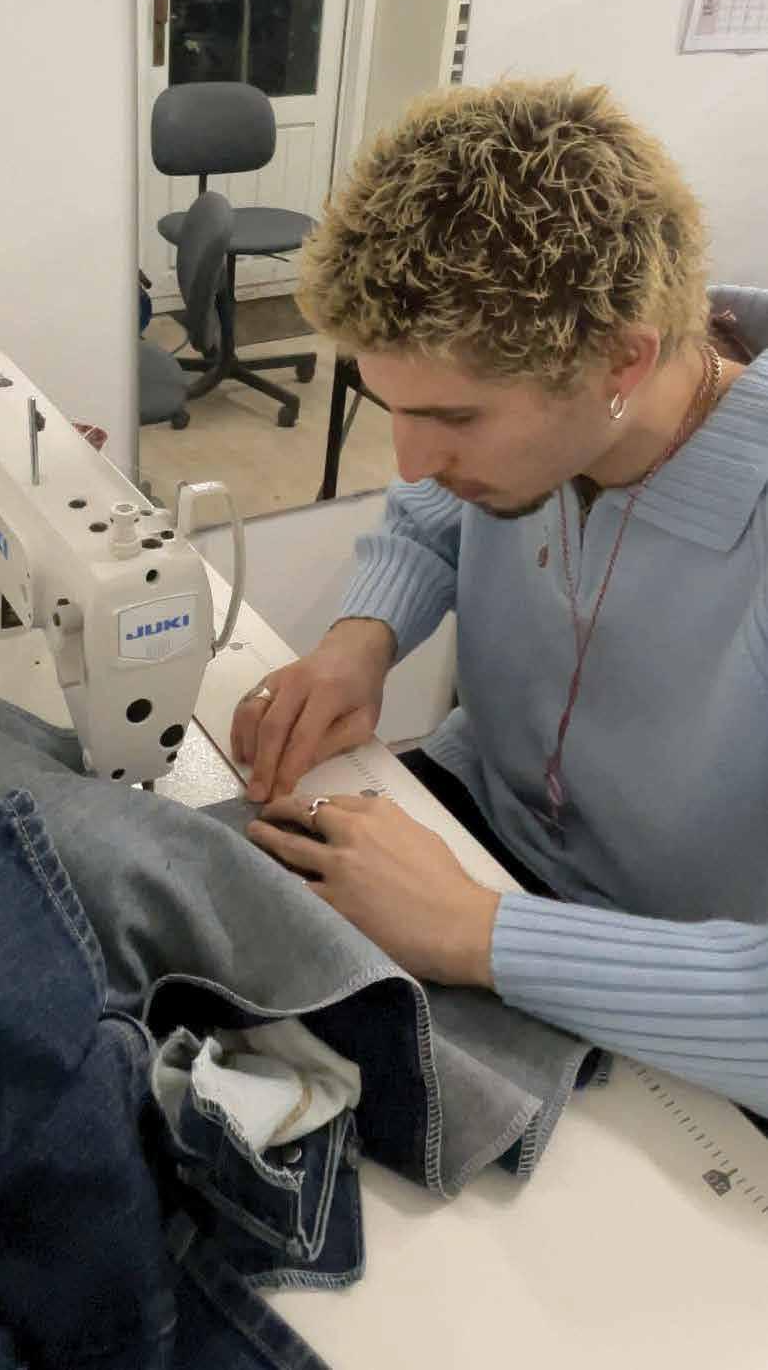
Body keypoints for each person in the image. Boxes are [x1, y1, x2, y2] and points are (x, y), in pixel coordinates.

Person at [231, 76, 768, 1117]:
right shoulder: (572, 400)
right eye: (390, 408)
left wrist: (476, 933)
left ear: (622, 361)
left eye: (456, 420)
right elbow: (431, 514)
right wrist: (360, 638)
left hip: (683, 979)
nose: (411, 461)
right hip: (479, 829)